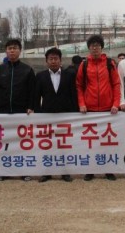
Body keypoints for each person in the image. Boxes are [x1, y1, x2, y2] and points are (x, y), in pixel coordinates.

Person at [0, 38, 36, 182]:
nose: (12, 51)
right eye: (9, 48)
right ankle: (2, 171)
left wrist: (31, 106)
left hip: (21, 112)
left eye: (15, 48)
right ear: (6, 51)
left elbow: (32, 91)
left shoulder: (27, 69)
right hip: (3, 113)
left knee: (22, 144)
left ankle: (24, 171)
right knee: (4, 144)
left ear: (20, 51)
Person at [76, 35, 120, 181]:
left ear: (102, 47)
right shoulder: (84, 65)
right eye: (92, 45)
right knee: (91, 143)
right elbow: (79, 86)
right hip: (90, 110)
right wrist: (82, 103)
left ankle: (108, 169)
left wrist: (115, 103)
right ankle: (90, 170)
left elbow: (116, 84)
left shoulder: (109, 63)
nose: (95, 48)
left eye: (97, 45)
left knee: (107, 142)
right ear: (89, 48)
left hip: (108, 109)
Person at [34, 47, 78, 183]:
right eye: (50, 59)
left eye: (56, 59)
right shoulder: (40, 76)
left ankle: (65, 172)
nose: (53, 61)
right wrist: (37, 112)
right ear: (46, 61)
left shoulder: (69, 75)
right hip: (47, 115)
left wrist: (75, 113)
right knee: (48, 146)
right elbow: (36, 96)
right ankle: (47, 172)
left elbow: (73, 95)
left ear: (60, 60)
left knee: (64, 146)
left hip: (65, 115)